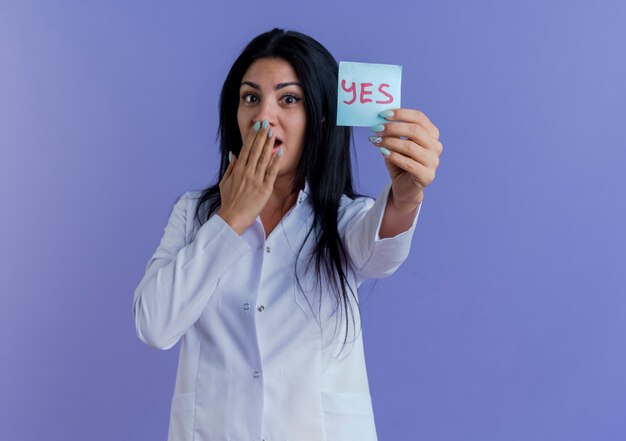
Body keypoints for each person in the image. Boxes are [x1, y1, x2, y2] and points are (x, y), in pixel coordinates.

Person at [133, 27, 442, 441]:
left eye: (289, 99)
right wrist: (231, 218)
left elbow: (380, 252)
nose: (264, 116)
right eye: (251, 97)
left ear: (319, 117)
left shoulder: (345, 219)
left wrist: (405, 197)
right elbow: (155, 325)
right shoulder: (194, 214)